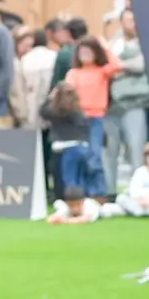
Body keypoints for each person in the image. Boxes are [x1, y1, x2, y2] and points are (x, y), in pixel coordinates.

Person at [62, 37, 124, 202]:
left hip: (96, 118)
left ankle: (98, 193)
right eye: (82, 52)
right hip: (78, 119)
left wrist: (105, 47)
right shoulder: (73, 73)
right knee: (80, 156)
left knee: (95, 156)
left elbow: (118, 65)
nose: (85, 55)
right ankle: (80, 193)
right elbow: (68, 93)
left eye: (89, 52)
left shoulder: (101, 71)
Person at [105, 9, 149, 190]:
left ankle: (138, 192)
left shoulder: (145, 43)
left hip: (135, 104)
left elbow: (142, 65)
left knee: (136, 148)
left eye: (135, 20)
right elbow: (104, 67)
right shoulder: (112, 44)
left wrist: (117, 66)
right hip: (111, 105)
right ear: (121, 22)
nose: (132, 24)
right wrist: (125, 67)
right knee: (110, 150)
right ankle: (108, 193)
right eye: (128, 20)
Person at [41, 82, 94, 222]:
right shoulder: (78, 110)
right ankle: (84, 207)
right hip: (82, 146)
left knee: (69, 181)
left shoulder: (58, 111)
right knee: (80, 179)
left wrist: (50, 97)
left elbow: (43, 112)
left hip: (67, 148)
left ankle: (73, 210)